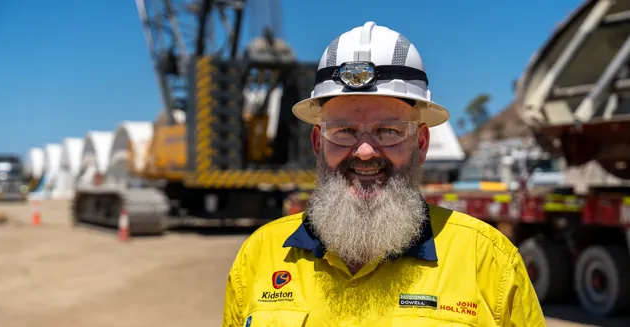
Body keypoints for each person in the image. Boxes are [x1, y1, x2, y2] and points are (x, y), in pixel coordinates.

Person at [222, 21, 545, 327]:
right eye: (344, 130)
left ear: (420, 142)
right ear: (318, 143)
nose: (365, 151)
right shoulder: (261, 253)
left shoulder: (487, 259)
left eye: (388, 131)